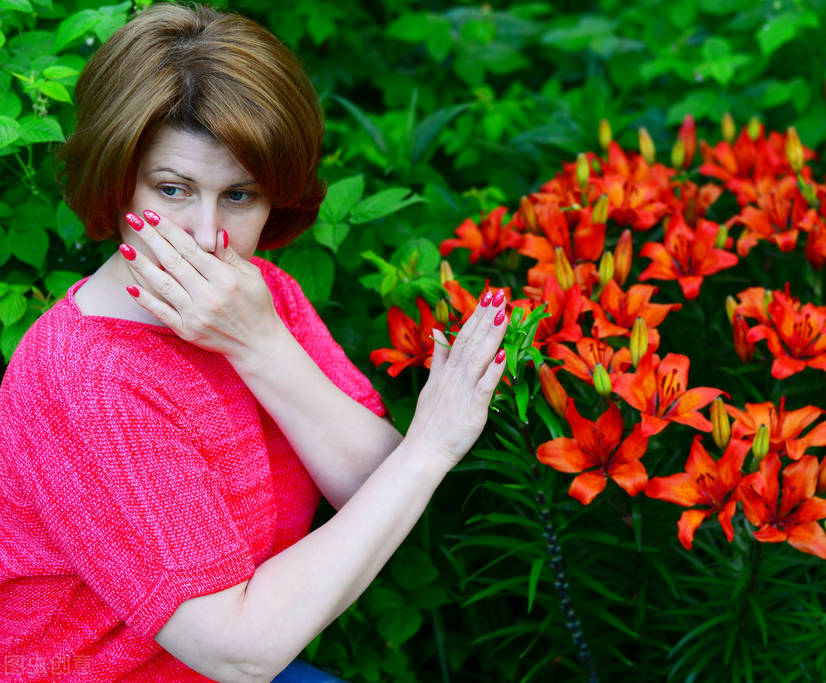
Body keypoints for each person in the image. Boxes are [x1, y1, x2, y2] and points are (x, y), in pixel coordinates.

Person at [0, 4, 507, 681]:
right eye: (173, 188)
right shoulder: (85, 378)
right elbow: (237, 648)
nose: (206, 233)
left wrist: (261, 345)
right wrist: (432, 446)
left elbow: (371, 484)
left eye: (238, 196)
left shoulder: (255, 295)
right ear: (116, 174)